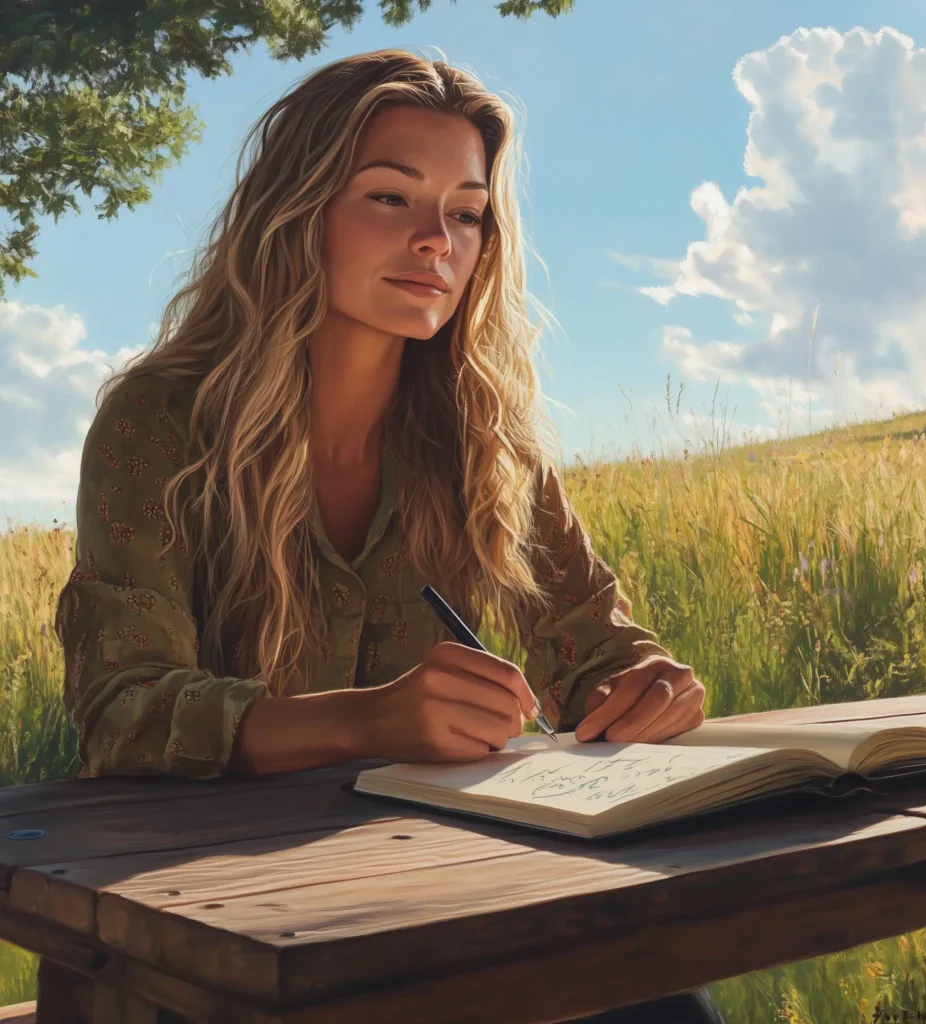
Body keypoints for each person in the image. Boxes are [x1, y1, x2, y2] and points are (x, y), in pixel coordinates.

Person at [54, 48, 721, 1023]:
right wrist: (366, 719)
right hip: (222, 909)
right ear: (300, 207)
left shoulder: (485, 441)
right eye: (388, 198)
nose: (435, 242)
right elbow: (123, 709)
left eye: (464, 211)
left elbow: (599, 646)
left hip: (449, 878)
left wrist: (647, 685)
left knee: (653, 998)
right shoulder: (163, 420)